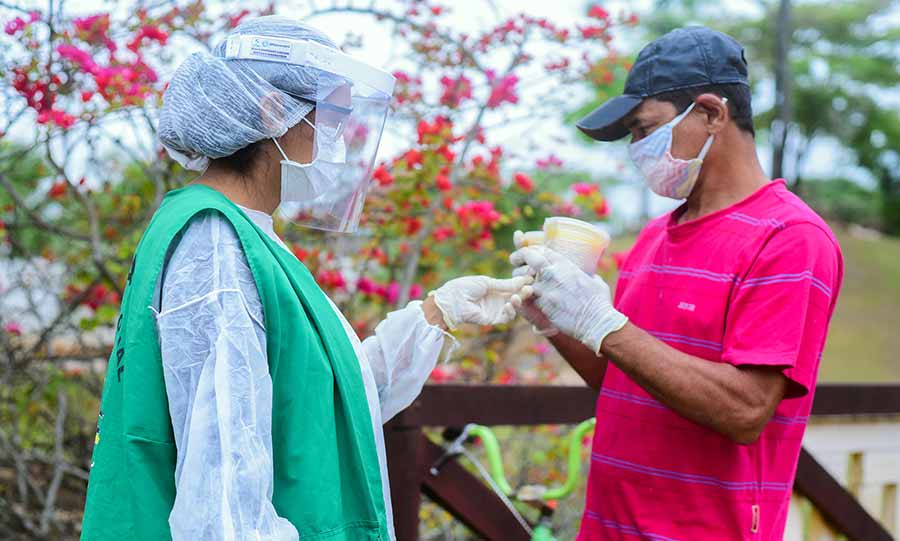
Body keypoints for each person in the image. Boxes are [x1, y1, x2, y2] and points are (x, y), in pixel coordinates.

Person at [80, 17, 529, 541]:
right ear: (275, 112)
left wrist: (438, 314)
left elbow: (323, 404)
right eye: (333, 115)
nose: (337, 138)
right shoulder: (217, 244)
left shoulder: (246, 234)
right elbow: (224, 502)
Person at [510, 26, 843, 540]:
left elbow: (745, 410)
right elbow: (624, 379)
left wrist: (605, 322)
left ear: (712, 112)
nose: (637, 150)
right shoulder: (654, 236)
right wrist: (558, 321)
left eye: (646, 129)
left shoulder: (791, 239)